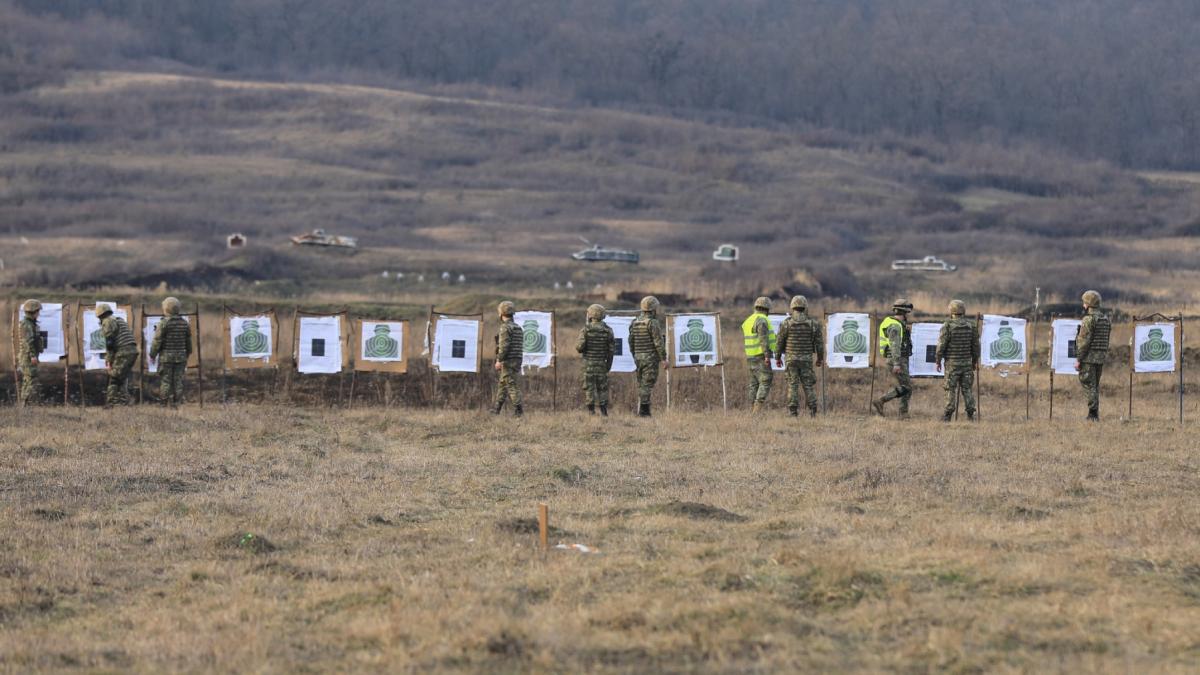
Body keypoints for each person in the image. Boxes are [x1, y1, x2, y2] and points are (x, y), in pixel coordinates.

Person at [775, 295, 823, 417]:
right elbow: (819, 344)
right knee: (808, 385)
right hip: (806, 359)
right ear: (805, 306)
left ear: (792, 307)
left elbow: (779, 342)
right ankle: (813, 411)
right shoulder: (813, 324)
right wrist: (820, 358)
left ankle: (793, 412)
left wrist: (777, 357)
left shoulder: (786, 323)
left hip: (791, 359)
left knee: (792, 384)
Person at [935, 299, 979, 422]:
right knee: (967, 389)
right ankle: (971, 414)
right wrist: (974, 362)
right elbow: (976, 346)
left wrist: (938, 360)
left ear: (951, 310)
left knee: (950, 389)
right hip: (966, 364)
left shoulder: (947, 326)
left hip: (952, 364)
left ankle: (947, 415)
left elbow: (941, 346)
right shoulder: (971, 326)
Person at [873, 298, 914, 418]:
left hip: (899, 358)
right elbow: (895, 346)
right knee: (906, 387)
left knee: (906, 387)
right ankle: (881, 401)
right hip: (897, 359)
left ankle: (903, 413)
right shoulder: (895, 326)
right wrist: (897, 363)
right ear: (904, 312)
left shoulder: (896, 324)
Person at [150, 297, 193, 407]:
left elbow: (157, 340)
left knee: (166, 381)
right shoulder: (184, 323)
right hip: (181, 357)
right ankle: (176, 403)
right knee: (178, 381)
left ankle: (163, 404)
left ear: (165, 308)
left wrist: (152, 354)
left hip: (166, 357)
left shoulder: (164, 323)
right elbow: (188, 341)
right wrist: (188, 353)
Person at [1075, 289, 1111, 421]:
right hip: (1100, 358)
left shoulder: (1088, 320)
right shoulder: (1105, 319)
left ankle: (1093, 414)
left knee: (1089, 385)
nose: (1083, 305)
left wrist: (1079, 358)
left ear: (1088, 304)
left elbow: (1084, 342)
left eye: (1084, 302)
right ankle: (1094, 413)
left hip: (1089, 358)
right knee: (1094, 386)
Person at [628, 296, 666, 417]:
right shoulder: (652, 323)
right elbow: (658, 343)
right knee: (647, 384)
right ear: (653, 309)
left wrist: (635, 355)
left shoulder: (634, 322)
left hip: (638, 357)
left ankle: (644, 410)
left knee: (642, 384)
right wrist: (664, 359)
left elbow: (631, 341)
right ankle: (644, 412)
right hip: (650, 358)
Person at [576, 304, 615, 415]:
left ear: (590, 314)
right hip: (602, 364)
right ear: (602, 315)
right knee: (602, 388)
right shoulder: (608, 330)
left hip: (588, 364)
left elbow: (579, 348)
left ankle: (591, 411)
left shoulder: (585, 330)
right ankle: (604, 412)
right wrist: (608, 366)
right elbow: (611, 351)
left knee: (589, 388)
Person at [97, 302, 140, 407]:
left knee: (114, 378)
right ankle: (126, 400)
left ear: (99, 315)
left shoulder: (107, 321)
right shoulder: (119, 320)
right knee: (122, 377)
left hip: (123, 352)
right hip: (132, 351)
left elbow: (110, 342)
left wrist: (109, 359)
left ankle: (112, 402)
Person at [742, 296, 775, 413]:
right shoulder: (761, 320)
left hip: (750, 357)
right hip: (761, 356)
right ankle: (756, 410)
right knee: (766, 381)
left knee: (753, 384)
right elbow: (763, 339)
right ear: (767, 309)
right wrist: (767, 355)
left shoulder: (748, 320)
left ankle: (751, 409)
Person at [491, 301, 524, 416]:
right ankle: (496, 410)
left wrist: (499, 360)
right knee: (503, 384)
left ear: (501, 313)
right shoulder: (518, 327)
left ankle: (519, 411)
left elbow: (504, 347)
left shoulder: (505, 328)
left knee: (510, 384)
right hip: (517, 359)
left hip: (508, 360)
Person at [17, 299, 44, 406]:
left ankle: (24, 404)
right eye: (38, 311)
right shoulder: (27, 324)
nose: (39, 313)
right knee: (30, 380)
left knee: (27, 380)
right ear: (33, 311)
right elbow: (28, 342)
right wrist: (33, 356)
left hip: (28, 356)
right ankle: (25, 404)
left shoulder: (30, 323)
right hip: (28, 357)